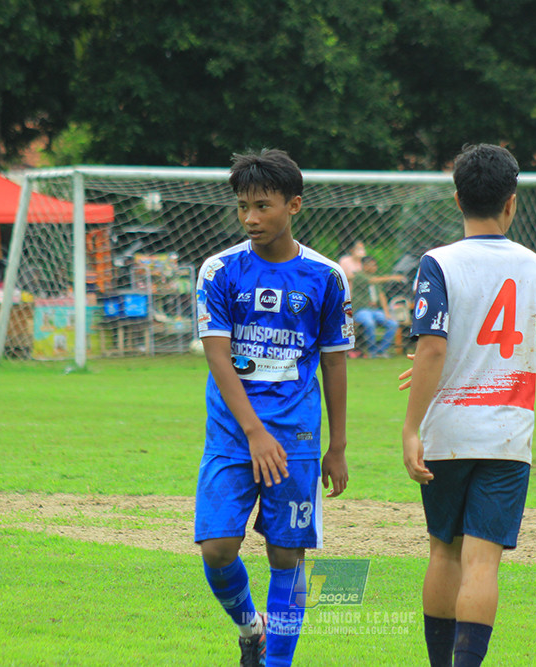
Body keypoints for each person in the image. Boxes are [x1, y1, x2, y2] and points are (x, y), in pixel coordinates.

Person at [194, 148, 353, 667]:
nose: (250, 218)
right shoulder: (220, 271)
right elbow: (218, 357)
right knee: (217, 547)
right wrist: (253, 431)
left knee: (287, 555)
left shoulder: (327, 276)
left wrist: (337, 445)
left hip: (296, 436)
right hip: (232, 433)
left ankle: (277, 662)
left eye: (262, 206)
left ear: (294, 205)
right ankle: (251, 628)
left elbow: (334, 363)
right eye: (243, 206)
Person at [399, 144, 536, 667]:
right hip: (508, 433)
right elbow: (505, 342)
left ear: (458, 198)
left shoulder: (437, 262)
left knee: (444, 550)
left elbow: (434, 348)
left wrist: (411, 428)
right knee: (483, 563)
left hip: (449, 431)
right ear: (511, 203)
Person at [351, 255, 400, 358]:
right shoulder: (359, 276)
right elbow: (372, 281)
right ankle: (372, 352)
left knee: (393, 324)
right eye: (372, 265)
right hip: (361, 310)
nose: (375, 267)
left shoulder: (375, 279)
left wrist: (386, 312)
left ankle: (381, 351)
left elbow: (381, 295)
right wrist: (393, 278)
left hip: (375, 310)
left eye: (375, 265)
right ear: (365, 266)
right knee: (369, 323)